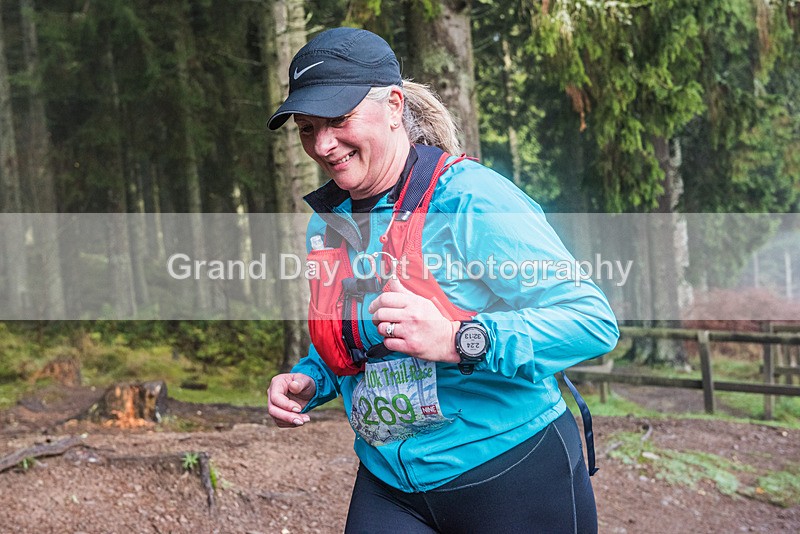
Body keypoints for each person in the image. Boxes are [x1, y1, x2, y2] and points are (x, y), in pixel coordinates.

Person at [266, 27, 619, 534]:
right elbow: (356, 332)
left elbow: (591, 321)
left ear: (393, 105)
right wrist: (312, 379)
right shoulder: (328, 224)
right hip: (389, 480)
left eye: (339, 120)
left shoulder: (470, 198)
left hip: (510, 468)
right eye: (306, 127)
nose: (322, 145)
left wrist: (458, 338)